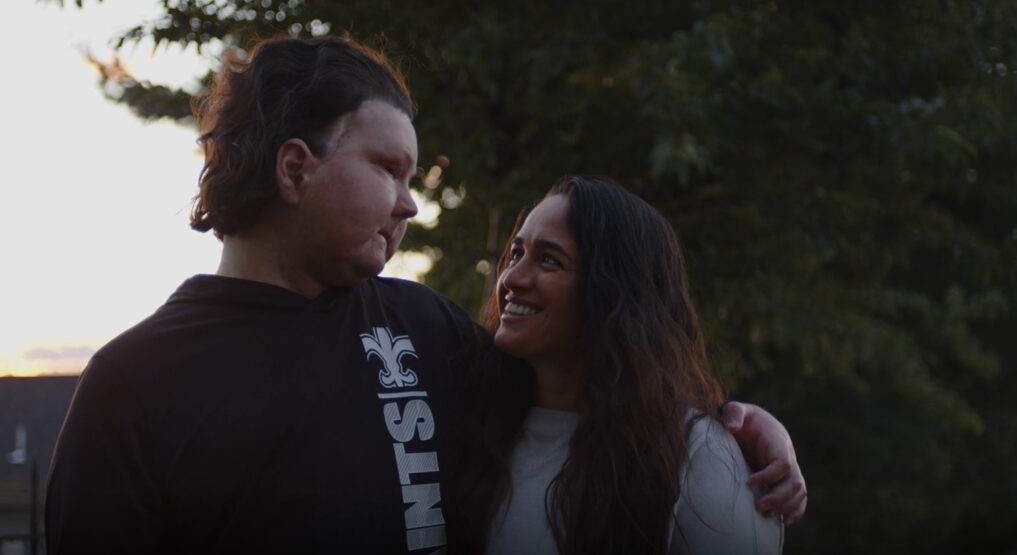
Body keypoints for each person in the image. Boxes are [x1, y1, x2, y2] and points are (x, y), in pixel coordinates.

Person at [46, 36, 804, 554]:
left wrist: (732, 428)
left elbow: (590, 389)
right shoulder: (133, 386)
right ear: (294, 168)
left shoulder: (423, 329)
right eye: (389, 168)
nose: (410, 203)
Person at [454, 176, 783, 555]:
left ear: (614, 294)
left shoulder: (699, 458)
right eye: (515, 253)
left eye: (548, 259)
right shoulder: (471, 417)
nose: (511, 278)